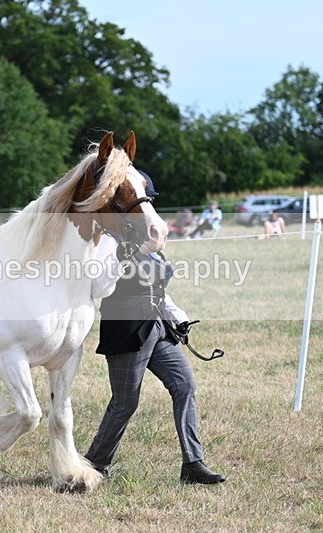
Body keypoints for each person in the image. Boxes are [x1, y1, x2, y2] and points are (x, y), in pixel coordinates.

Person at [87, 171, 225, 485]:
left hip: (158, 327)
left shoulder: (145, 236)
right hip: (126, 327)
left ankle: (193, 464)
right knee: (125, 402)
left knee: (184, 386)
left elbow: (156, 289)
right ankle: (95, 463)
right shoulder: (108, 240)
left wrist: (178, 316)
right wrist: (121, 260)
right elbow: (98, 287)